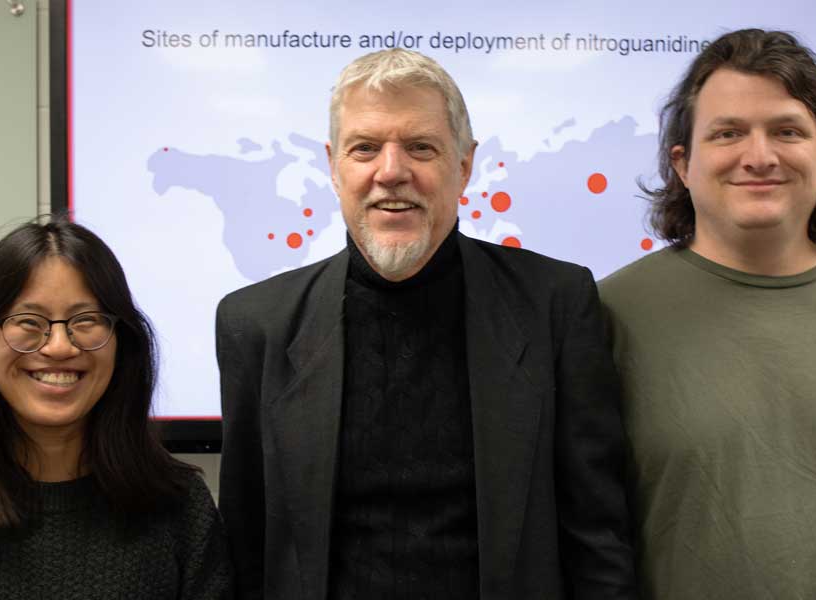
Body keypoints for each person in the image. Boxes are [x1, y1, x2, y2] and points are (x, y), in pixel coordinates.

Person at [216, 48, 636, 600]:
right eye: (365, 148)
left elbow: (597, 535)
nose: (392, 172)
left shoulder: (555, 303)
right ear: (334, 166)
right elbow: (246, 545)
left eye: (421, 147)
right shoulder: (256, 324)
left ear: (463, 165)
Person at [599, 29, 816, 598]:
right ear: (683, 163)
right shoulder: (605, 317)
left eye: (786, 131)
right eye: (728, 133)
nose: (759, 157)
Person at [0, 218, 234, 599]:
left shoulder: (181, 508)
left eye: (86, 320)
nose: (59, 346)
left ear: (122, 343)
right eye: (28, 321)